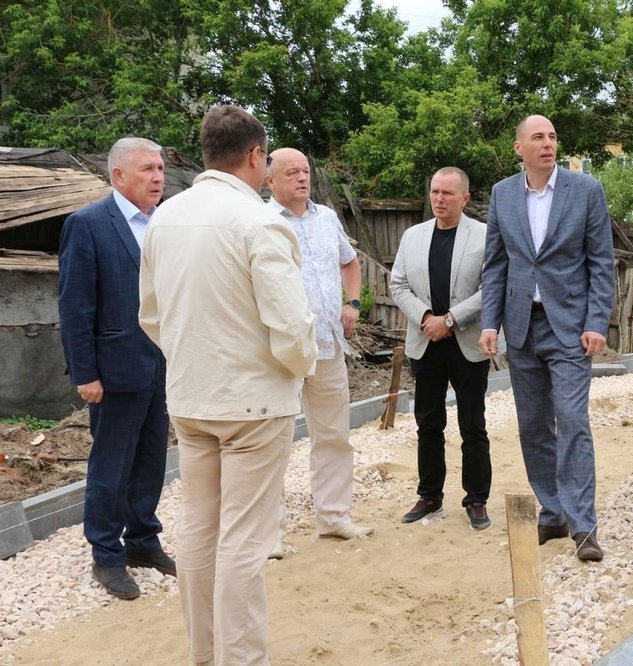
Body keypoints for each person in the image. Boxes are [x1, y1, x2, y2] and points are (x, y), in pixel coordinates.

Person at [138, 105, 317, 665]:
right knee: (244, 538)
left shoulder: (164, 218)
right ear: (256, 156)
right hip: (253, 404)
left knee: (198, 528)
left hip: (191, 397)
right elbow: (291, 324)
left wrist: (192, 360)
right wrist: (301, 367)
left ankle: (205, 653)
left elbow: (151, 314)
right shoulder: (259, 222)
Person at [478, 115, 615, 561]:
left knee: (572, 419)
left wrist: (597, 322)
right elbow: (496, 264)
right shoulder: (502, 194)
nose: (548, 143)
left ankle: (583, 524)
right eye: (537, 137)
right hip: (521, 325)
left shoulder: (586, 190)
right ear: (519, 148)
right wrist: (490, 323)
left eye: (553, 136)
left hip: (570, 325)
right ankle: (553, 511)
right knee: (533, 424)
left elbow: (601, 262)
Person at [57, 137, 174, 600]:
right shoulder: (87, 224)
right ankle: (106, 554)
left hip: (162, 364)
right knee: (111, 464)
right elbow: (75, 306)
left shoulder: (166, 223)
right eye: (148, 169)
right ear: (118, 175)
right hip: (114, 369)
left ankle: (143, 540)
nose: (158, 177)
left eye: (160, 168)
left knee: (151, 459)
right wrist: (84, 373)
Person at [265, 147, 372, 558]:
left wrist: (353, 302)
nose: (302, 178)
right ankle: (269, 533)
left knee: (333, 436)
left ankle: (333, 517)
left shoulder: (327, 217)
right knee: (272, 443)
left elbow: (350, 262)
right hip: (280, 352)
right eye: (291, 172)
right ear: (269, 180)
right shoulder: (261, 222)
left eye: (305, 171)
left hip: (328, 345)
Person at [389, 167, 493, 530]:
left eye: (448, 193)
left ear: (465, 198)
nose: (439, 199)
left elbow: (492, 286)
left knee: (472, 425)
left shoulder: (483, 235)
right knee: (428, 424)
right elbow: (398, 285)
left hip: (467, 342)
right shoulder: (413, 236)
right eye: (435, 191)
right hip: (425, 342)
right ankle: (430, 496)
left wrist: (449, 319)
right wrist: (426, 319)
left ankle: (476, 499)